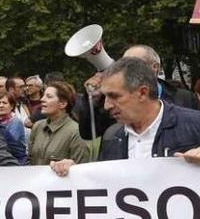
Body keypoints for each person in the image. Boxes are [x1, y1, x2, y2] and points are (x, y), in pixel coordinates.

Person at [53, 58, 200, 176]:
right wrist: (75, 174)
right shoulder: (112, 136)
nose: (107, 106)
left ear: (142, 93)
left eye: (114, 96)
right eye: (105, 97)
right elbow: (104, 185)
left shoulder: (194, 125)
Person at [76, 44, 199, 140]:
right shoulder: (108, 99)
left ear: (154, 67)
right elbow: (88, 134)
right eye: (124, 64)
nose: (125, 70)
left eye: (134, 64)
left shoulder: (184, 98)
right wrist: (91, 101)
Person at [28, 81, 89, 167]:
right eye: (43, 95)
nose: (42, 99)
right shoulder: (37, 126)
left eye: (49, 96)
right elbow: (30, 160)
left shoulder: (76, 132)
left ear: (63, 104)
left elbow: (81, 169)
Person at [0, 93, 28, 164]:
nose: (1, 105)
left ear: (12, 106)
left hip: (16, 162)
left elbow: (8, 144)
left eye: (4, 103)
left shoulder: (16, 122)